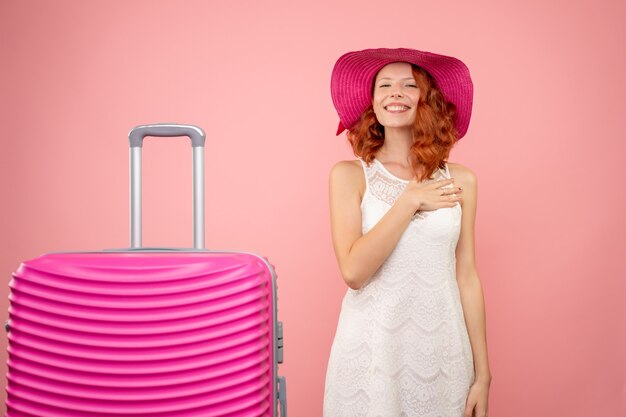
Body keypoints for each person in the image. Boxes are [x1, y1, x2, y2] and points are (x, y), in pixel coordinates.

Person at [323, 48, 492, 417]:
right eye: (384, 85)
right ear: (372, 102)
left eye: (408, 85)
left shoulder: (461, 180)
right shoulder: (349, 176)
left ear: (426, 99)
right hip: (373, 355)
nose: (394, 93)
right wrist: (409, 200)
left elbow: (467, 276)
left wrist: (483, 375)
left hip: (444, 352)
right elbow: (353, 272)